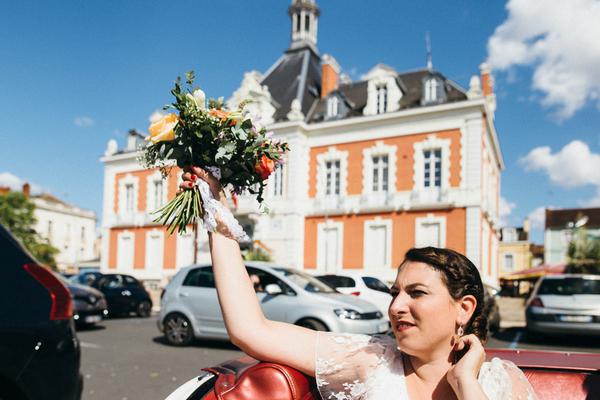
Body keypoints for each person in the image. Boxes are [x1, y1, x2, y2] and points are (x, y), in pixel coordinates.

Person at [179, 166, 538, 400]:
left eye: (417, 293)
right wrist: (217, 211)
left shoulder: (501, 383)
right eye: (395, 292)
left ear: (464, 308)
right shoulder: (370, 360)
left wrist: (466, 383)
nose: (396, 306)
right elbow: (250, 330)